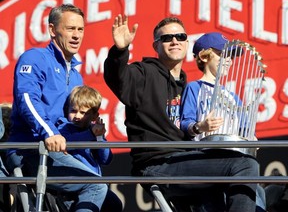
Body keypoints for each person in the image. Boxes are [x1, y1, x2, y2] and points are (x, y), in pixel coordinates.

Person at [104, 15, 259, 212]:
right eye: (167, 38)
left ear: (187, 43)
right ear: (156, 46)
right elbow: (118, 78)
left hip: (186, 160)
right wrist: (119, 51)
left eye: (180, 36)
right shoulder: (143, 74)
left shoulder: (187, 85)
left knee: (240, 191)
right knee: (244, 165)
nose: (174, 40)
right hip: (157, 164)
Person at [6, 4, 108, 212]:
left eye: (80, 29)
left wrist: (96, 135)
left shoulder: (76, 75)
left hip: (59, 150)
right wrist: (49, 132)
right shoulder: (35, 58)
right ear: (52, 30)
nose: (76, 35)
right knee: (96, 187)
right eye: (70, 29)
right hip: (30, 148)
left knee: (111, 203)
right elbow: (27, 99)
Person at [180, 32, 260, 211]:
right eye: (223, 54)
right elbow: (185, 123)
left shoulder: (232, 95)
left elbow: (245, 127)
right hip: (206, 159)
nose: (229, 60)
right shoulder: (194, 88)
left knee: (257, 197)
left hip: (234, 158)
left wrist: (251, 137)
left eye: (231, 56)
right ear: (204, 56)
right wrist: (201, 126)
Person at [56, 85, 123, 211]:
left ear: (94, 116)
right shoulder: (63, 127)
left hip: (94, 183)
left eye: (83, 113)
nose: (77, 116)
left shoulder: (94, 130)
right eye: (73, 111)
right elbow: (66, 143)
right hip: (73, 187)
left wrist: (99, 138)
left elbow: (106, 159)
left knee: (114, 204)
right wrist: (91, 134)